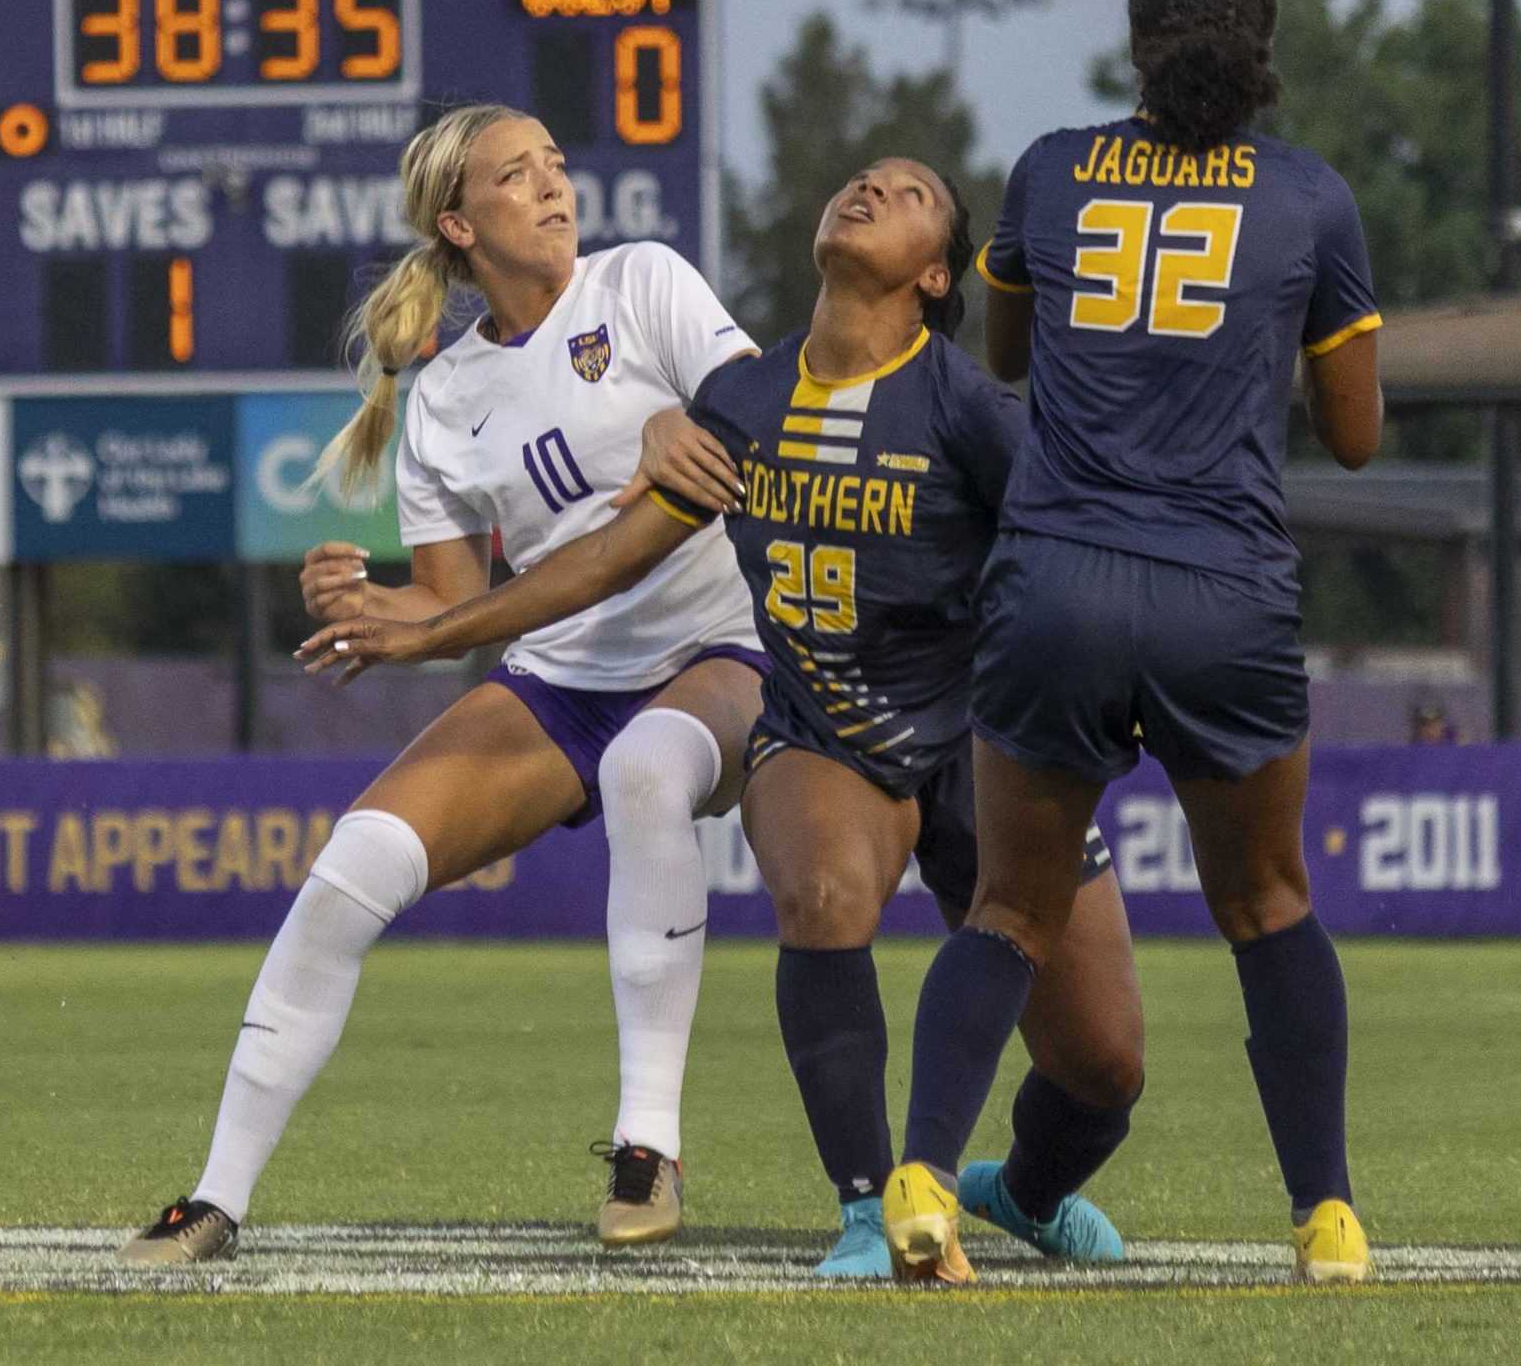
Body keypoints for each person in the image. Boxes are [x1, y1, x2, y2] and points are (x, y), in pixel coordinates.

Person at [301, 160, 1145, 1277]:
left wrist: (1102, 691)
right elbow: (602, 558)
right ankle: (866, 1205)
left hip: (983, 738)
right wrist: (438, 628)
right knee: (822, 893)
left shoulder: (970, 410)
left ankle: (1022, 1191)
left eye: (903, 194)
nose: (863, 188)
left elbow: (1071, 561)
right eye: (858, 178)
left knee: (1106, 1067)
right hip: (825, 724)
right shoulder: (747, 401)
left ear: (937, 271)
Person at [122, 104, 768, 1264]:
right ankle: (214, 1195)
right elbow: (453, 601)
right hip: (561, 678)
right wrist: (377, 603)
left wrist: (692, 414)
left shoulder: (644, 283)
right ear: (461, 224)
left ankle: (647, 1141)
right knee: (346, 870)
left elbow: (756, 419)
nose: (555, 186)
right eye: (519, 175)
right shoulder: (446, 394)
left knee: (643, 768)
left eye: (556, 162)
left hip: (721, 649)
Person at [881, 0, 1386, 1285]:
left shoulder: (1050, 168)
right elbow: (1353, 435)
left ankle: (922, 1176)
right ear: (1263, 48)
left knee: (1008, 912)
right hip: (1222, 588)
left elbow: (1007, 355)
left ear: (1137, 41)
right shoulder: (1313, 200)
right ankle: (1326, 1216)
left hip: (1056, 583)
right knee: (1271, 903)